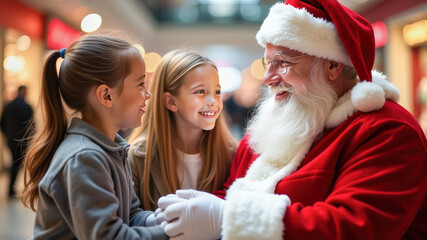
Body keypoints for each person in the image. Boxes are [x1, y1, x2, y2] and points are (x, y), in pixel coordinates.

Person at [157, 0, 427, 239]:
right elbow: (233, 195)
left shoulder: (388, 132)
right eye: (268, 63)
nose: (268, 78)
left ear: (332, 65)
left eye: (282, 63)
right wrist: (186, 211)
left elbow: (351, 228)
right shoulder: (275, 125)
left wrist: (227, 217)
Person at [21, 35, 167, 239]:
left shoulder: (112, 149)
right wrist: (176, 233)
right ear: (106, 95)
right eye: (141, 84)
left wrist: (165, 218)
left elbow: (130, 214)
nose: (148, 94)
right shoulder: (84, 158)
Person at [128, 49, 238, 211]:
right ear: (171, 101)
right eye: (200, 91)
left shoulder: (231, 154)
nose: (213, 101)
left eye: (217, 92)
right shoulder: (137, 157)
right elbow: (130, 218)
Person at [1, 85, 34, 197]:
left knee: (15, 163)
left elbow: (2, 123)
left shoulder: (8, 106)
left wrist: (7, 136)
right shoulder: (27, 107)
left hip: (10, 140)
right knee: (17, 164)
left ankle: (11, 189)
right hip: (22, 141)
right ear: (24, 92)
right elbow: (31, 126)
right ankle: (11, 190)